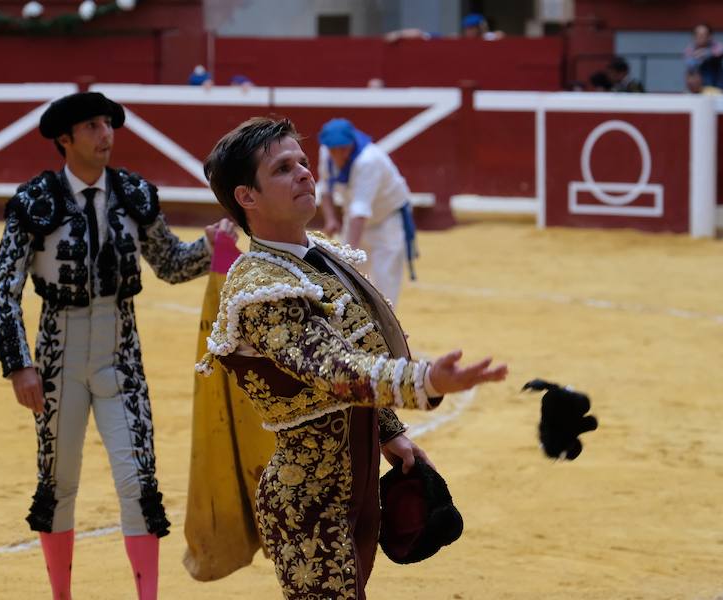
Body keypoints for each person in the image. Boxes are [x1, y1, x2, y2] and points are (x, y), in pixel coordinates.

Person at [198, 116, 508, 599]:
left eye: (302, 162)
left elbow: (360, 348)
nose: (305, 173)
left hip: (354, 483)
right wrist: (424, 380)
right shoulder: (260, 287)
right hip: (309, 499)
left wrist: (389, 432)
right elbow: (336, 369)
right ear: (247, 197)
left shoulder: (319, 255)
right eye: (283, 169)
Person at [0, 91, 233, 600]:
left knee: (139, 481)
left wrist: (211, 246)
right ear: (65, 139)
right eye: (93, 126)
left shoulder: (134, 194)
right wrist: (19, 365)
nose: (106, 135)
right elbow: (2, 291)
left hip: (122, 354)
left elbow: (168, 263)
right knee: (58, 483)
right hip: (56, 355)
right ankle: (62, 596)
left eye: (108, 124)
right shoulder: (34, 201)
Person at [316, 118, 415, 306]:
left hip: (387, 222)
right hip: (353, 220)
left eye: (342, 149)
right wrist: (330, 219)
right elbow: (326, 189)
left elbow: (360, 211)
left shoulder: (368, 160)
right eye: (333, 150)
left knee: (385, 285)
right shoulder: (326, 153)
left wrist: (349, 254)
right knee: (348, 282)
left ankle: (385, 331)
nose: (338, 155)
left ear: (352, 143)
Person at [684, 23, 723, 92]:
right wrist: (697, 59)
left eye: (704, 35)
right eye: (698, 34)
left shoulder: (716, 45)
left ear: (710, 36)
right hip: (700, 91)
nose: (700, 37)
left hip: (720, 89)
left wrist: (706, 53)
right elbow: (690, 65)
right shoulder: (690, 50)